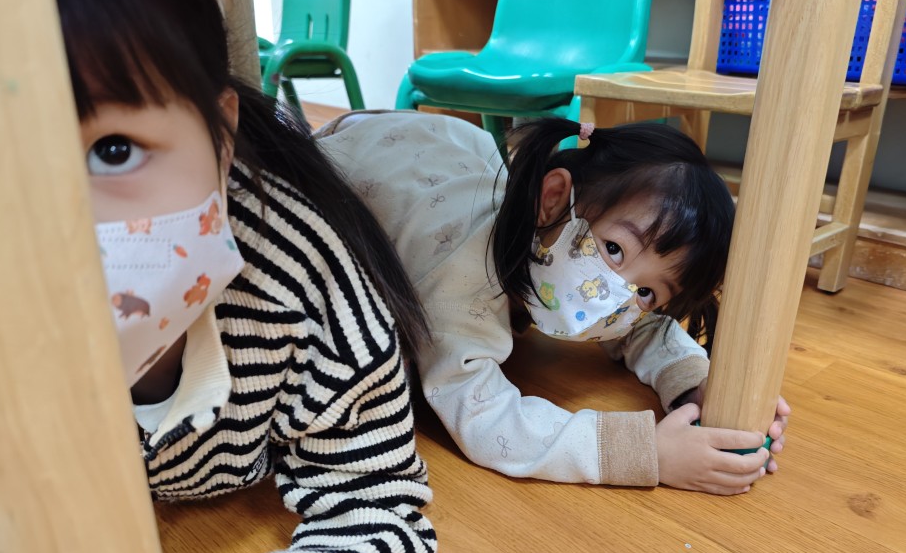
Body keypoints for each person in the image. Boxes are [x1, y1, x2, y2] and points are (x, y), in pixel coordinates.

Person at [0, 0, 436, 553]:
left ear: (221, 138)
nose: (58, 233)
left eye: (112, 150)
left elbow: (372, 493)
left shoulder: (303, 289)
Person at [315, 111, 790, 494]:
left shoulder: (609, 285)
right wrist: (647, 453)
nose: (614, 295)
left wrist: (697, 384)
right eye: (614, 250)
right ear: (554, 198)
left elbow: (641, 327)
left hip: (444, 156)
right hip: (361, 157)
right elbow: (483, 417)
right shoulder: (463, 275)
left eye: (647, 291)